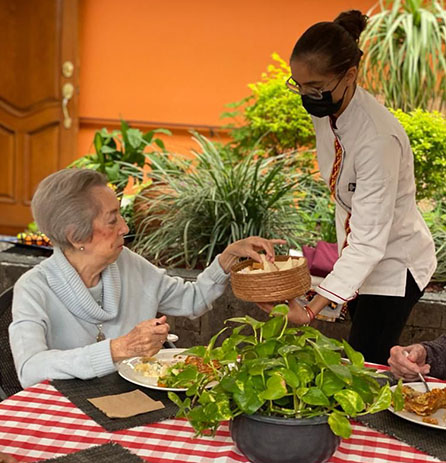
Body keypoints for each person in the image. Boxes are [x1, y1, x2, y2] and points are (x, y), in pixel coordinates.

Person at [260, 10, 436, 364]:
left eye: (315, 88)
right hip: (359, 257)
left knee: (364, 365)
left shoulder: (378, 139)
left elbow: (371, 241)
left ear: (351, 75)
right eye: (299, 85)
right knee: (361, 360)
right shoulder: (329, 107)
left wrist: (311, 311)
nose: (307, 97)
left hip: (394, 264)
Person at [9, 168, 284, 389]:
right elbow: (30, 369)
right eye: (112, 219)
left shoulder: (127, 263)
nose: (125, 228)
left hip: (139, 402)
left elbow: (192, 300)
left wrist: (226, 260)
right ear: (76, 236)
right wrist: (117, 349)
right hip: (71, 417)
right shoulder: (35, 288)